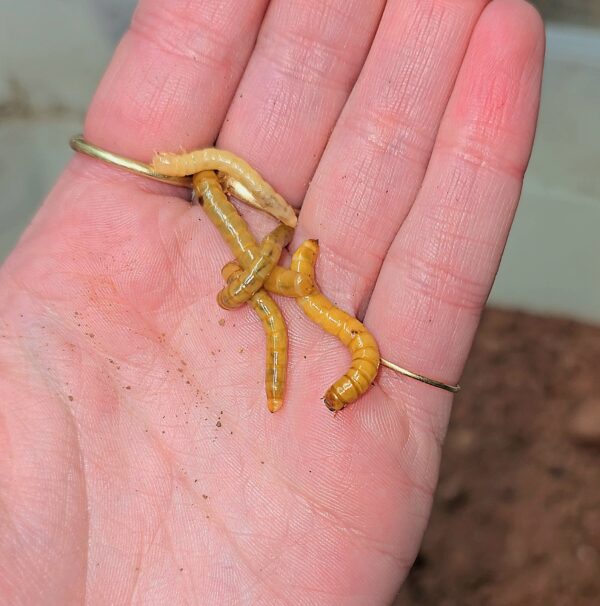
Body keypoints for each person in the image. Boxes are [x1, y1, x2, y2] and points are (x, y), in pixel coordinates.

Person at [0, 0, 544, 603]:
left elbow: (269, 286)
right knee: (271, 294)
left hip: (265, 258)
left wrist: (280, 259)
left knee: (277, 292)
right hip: (261, 259)